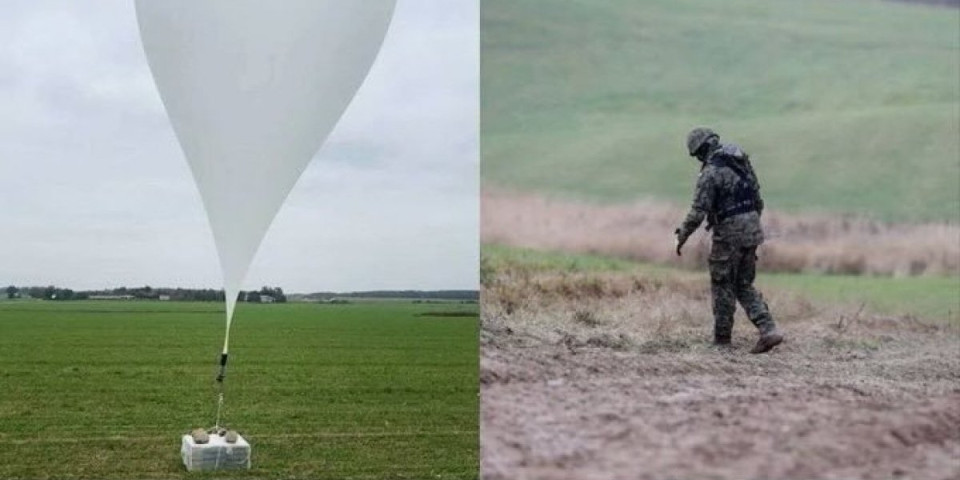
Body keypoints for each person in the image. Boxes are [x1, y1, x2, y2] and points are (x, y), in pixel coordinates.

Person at [674, 127, 783, 354]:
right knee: (744, 284)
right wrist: (750, 225)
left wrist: (682, 236)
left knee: (722, 284)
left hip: (729, 233)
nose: (699, 159)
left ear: (703, 149)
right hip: (752, 229)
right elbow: (757, 198)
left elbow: (697, 212)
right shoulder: (742, 163)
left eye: (697, 155)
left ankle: (722, 341)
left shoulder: (711, 173)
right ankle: (768, 329)